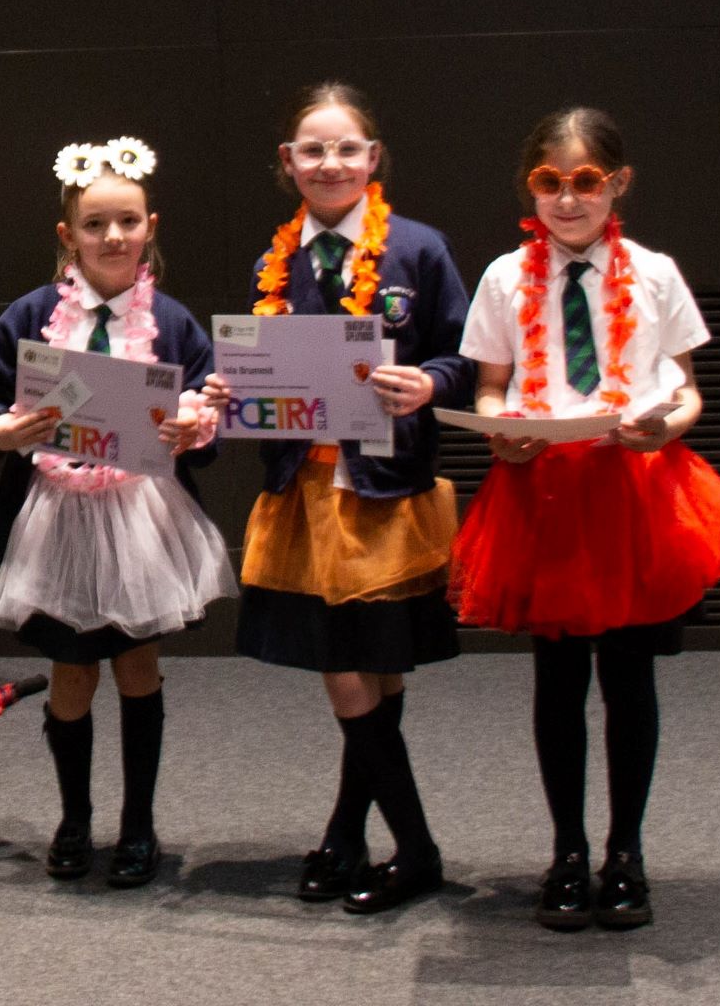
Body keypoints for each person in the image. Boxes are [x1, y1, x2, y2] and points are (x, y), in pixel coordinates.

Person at [450, 106, 720, 931]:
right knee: (557, 683)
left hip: (635, 490)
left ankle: (625, 852)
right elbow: (490, 385)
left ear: (617, 184)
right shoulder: (502, 278)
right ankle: (564, 852)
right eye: (549, 183)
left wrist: (669, 422)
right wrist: (501, 431)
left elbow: (688, 386)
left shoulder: (656, 272)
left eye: (584, 182)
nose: (566, 200)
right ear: (530, 187)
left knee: (630, 680)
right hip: (545, 496)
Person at [206, 84, 474, 914]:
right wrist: (232, 388)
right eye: (312, 151)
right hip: (305, 488)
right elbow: (267, 368)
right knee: (347, 669)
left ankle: (376, 841)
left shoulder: (419, 253)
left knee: (376, 671)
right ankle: (379, 840)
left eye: (346, 149)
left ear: (373, 159)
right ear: (287, 165)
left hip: (385, 489)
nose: (330, 165)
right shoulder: (272, 263)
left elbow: (467, 357)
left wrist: (425, 382)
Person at [0, 137, 234, 888]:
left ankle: (139, 825)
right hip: (52, 520)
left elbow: (207, 412)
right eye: (95, 225)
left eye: (127, 222)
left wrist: (195, 424)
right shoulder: (28, 316)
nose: (112, 238)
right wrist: (4, 432)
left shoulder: (174, 322)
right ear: (67, 235)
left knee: (138, 666)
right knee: (71, 673)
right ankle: (74, 817)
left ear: (151, 226)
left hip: (140, 519)